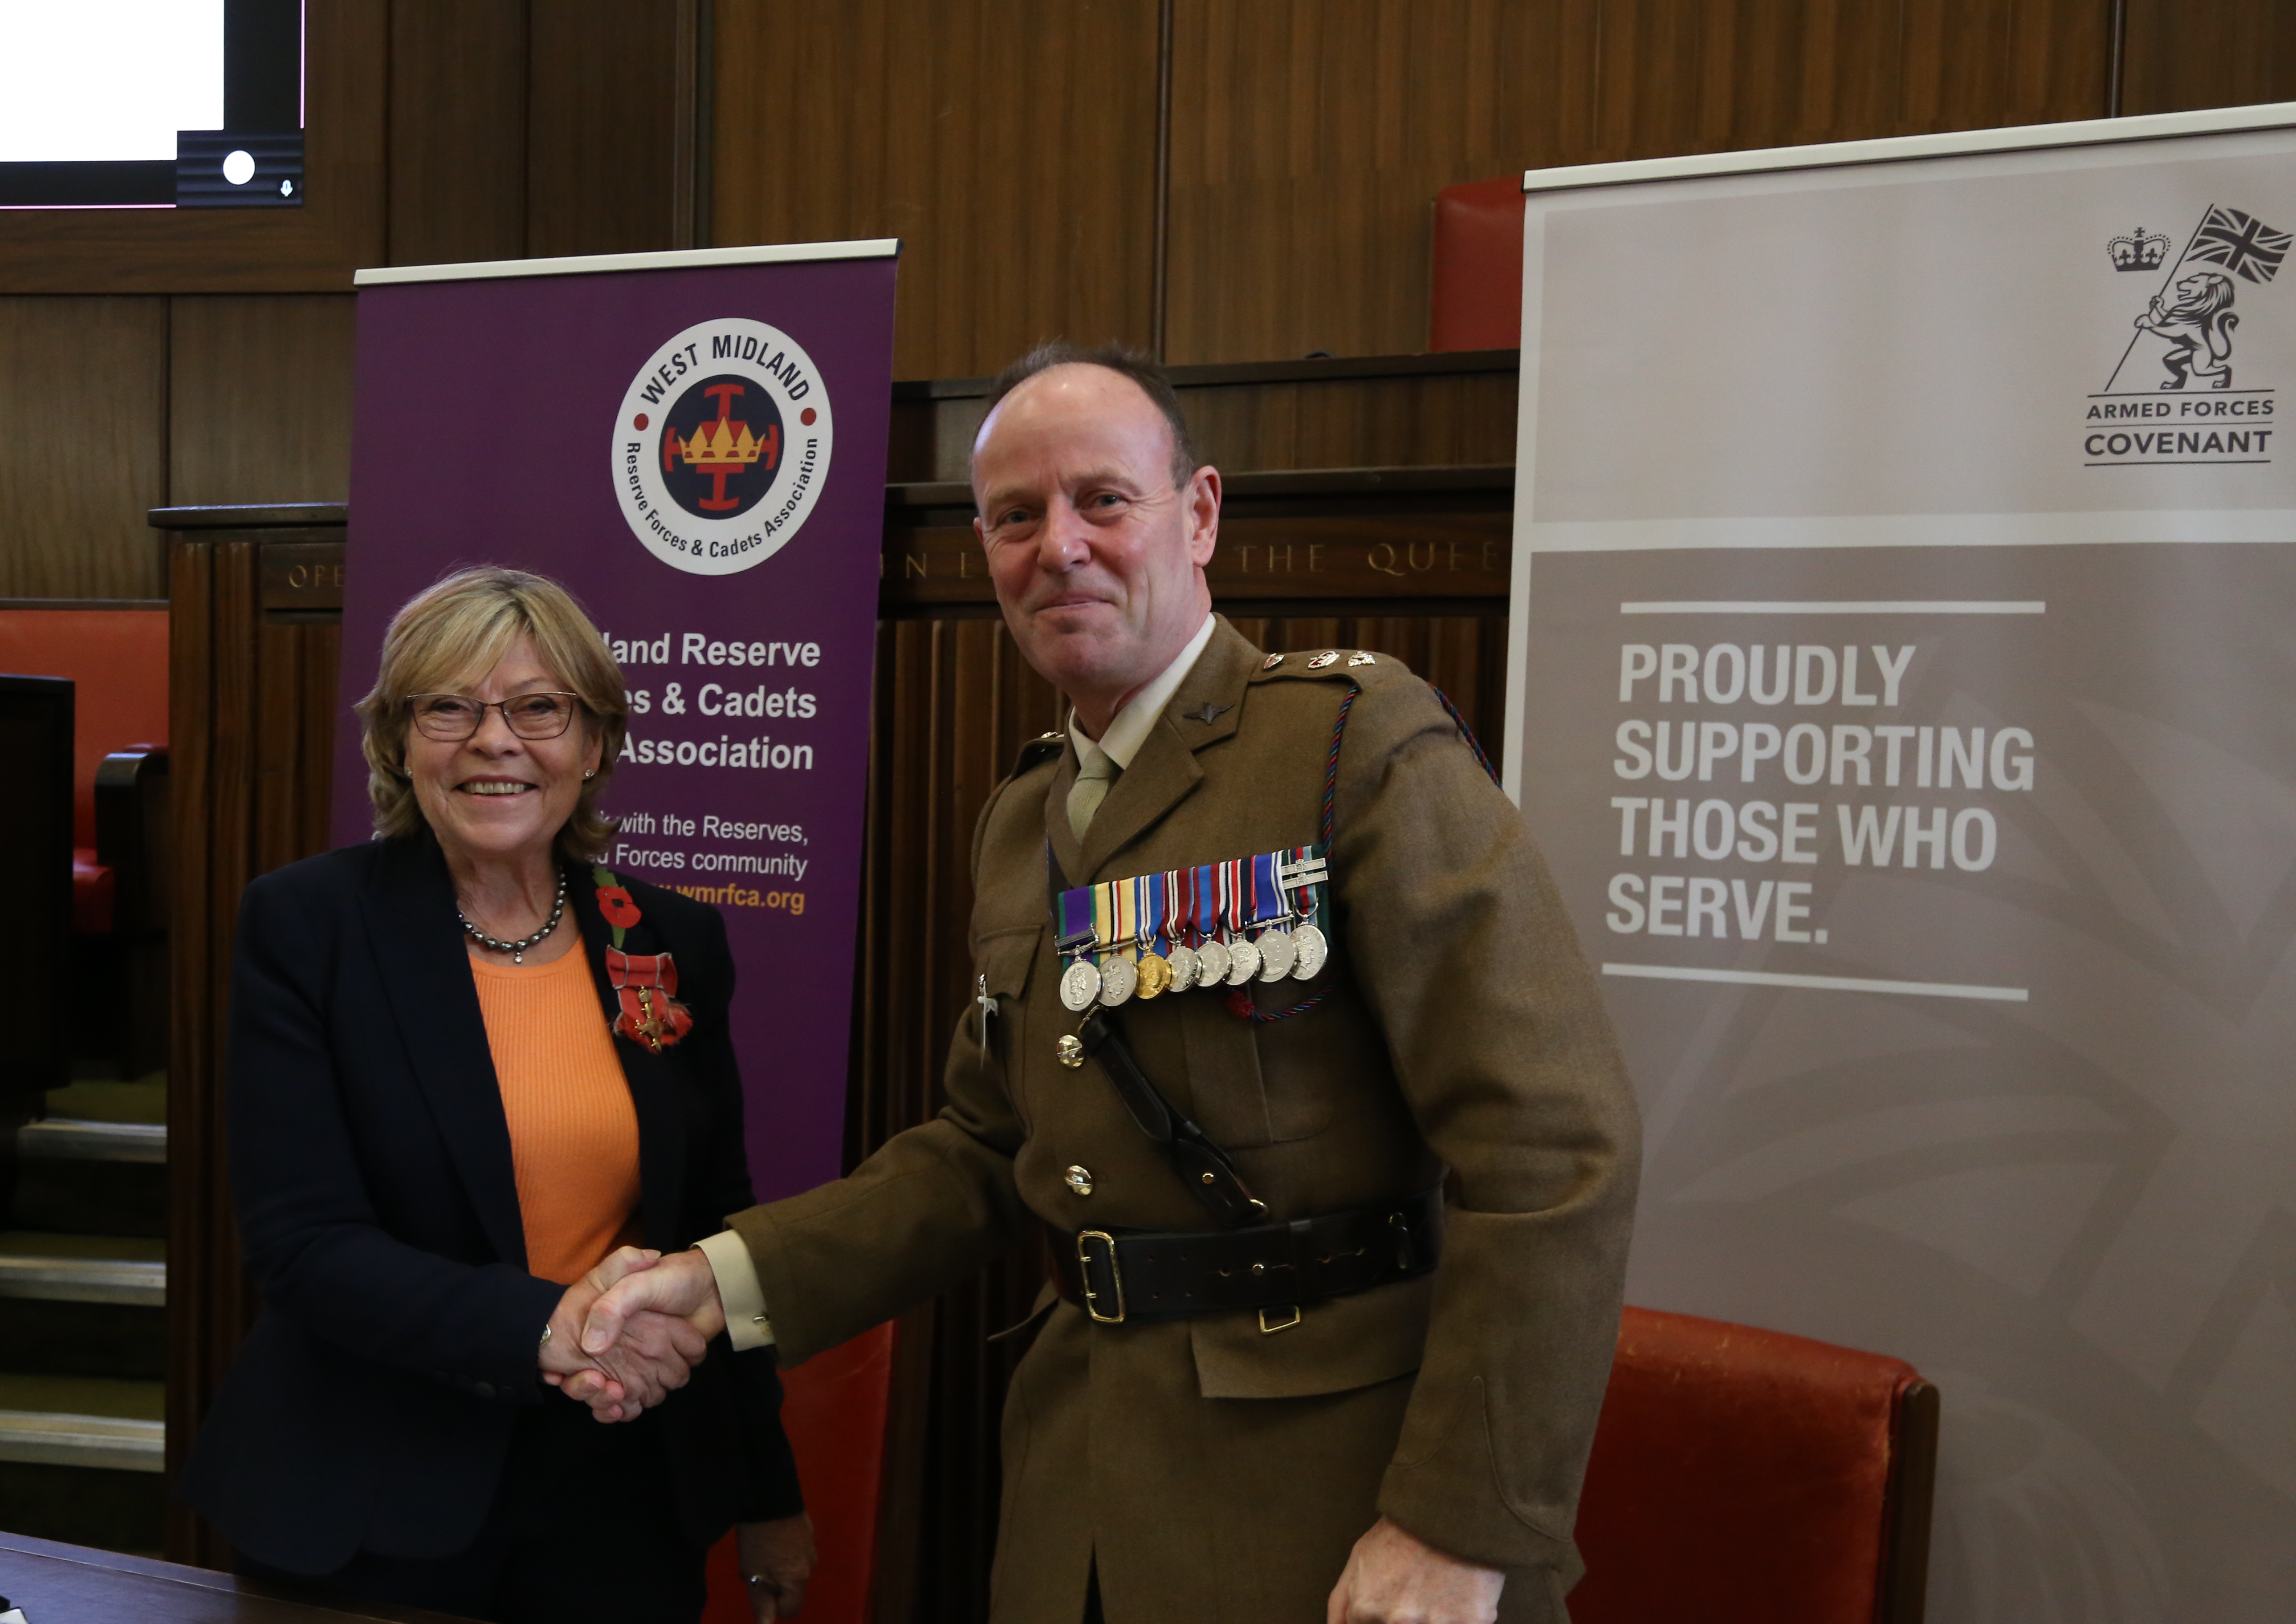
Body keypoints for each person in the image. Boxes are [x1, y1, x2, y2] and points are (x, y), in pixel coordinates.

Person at [577, 345, 1641, 1624]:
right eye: (1017, 517)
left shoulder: (1352, 747)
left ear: (1198, 515)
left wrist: (1459, 1526)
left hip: (1336, 1504)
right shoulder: (1025, 820)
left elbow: (1554, 1151)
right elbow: (985, 1153)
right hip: (1075, 1492)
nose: (1060, 546)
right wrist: (724, 1280)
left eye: (1103, 500)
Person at [178, 567, 816, 1624]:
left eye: (538, 708)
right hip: (373, 1496)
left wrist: (767, 1491)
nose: (495, 740)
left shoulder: (669, 941)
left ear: (595, 743)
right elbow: (304, 1246)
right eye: (448, 707)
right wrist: (547, 1328)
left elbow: (714, 1232)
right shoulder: (307, 928)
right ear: (397, 742)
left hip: (622, 1499)